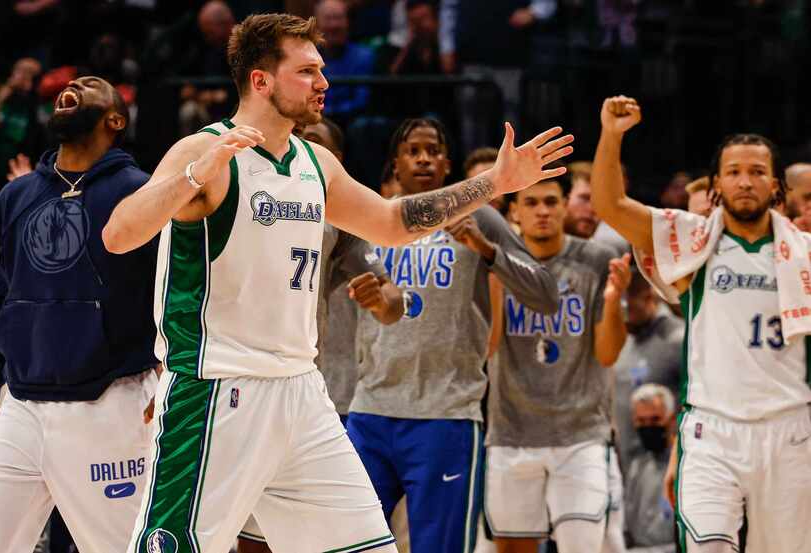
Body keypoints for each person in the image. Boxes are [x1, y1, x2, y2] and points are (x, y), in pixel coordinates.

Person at [102, 13, 572, 553]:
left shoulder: (315, 162)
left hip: (301, 390)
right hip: (217, 390)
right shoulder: (204, 152)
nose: (323, 83)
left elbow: (393, 224)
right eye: (306, 71)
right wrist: (192, 176)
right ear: (261, 80)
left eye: (321, 70)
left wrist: (496, 182)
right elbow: (119, 234)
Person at [590, 95, 811, 553]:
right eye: (733, 172)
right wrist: (612, 136)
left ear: (775, 186)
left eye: (756, 172)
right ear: (716, 185)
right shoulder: (692, 243)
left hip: (792, 432)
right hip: (712, 432)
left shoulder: (805, 252)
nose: (745, 181)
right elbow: (609, 204)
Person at [347, 118, 559, 553]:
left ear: (447, 163)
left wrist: (487, 250)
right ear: (395, 164)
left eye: (433, 150)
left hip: (447, 414)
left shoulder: (478, 215)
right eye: (413, 150)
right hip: (370, 411)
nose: (424, 158)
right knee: (347, 542)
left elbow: (546, 293)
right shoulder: (371, 219)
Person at [0, 76, 159, 553]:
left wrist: (168, 379)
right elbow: (5, 296)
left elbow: (170, 297)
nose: (76, 82)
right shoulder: (14, 198)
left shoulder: (141, 192)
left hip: (108, 402)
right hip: (21, 404)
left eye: (92, 84)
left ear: (115, 120)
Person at [236, 118, 404, 553]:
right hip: (231, 384)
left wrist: (379, 300)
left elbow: (392, 302)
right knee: (242, 536)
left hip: (302, 391)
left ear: (334, 163)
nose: (297, 149)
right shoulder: (240, 187)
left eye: (311, 143)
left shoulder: (335, 218)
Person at [485, 173, 631, 553]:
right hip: (511, 434)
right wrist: (496, 283)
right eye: (531, 203)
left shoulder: (597, 260)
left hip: (580, 435)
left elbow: (608, 354)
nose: (543, 211)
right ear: (513, 211)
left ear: (565, 205)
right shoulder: (497, 259)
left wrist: (614, 302)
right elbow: (486, 348)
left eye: (551, 201)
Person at [612, 270, 683, 474]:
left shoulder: (678, 340)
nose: (624, 319)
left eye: (629, 310)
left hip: (668, 466)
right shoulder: (624, 340)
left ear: (648, 297)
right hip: (629, 466)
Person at [623, 384, 677, 553]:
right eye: (641, 421)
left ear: (671, 419)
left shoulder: (686, 465)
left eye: (655, 419)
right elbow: (625, 529)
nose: (648, 427)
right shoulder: (636, 466)